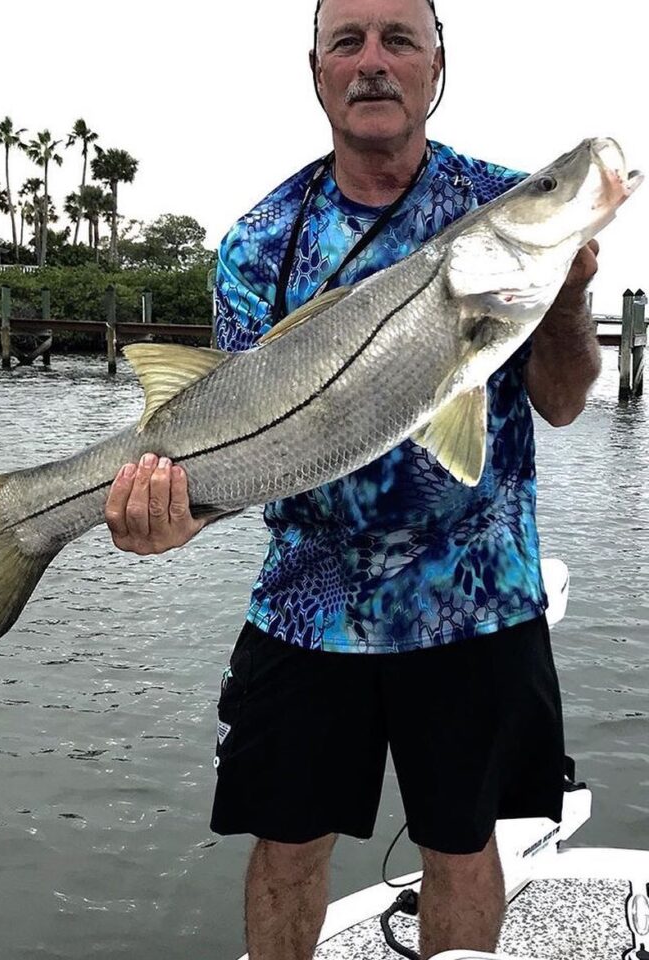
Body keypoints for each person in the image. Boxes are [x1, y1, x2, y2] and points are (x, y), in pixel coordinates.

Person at [104, 0, 602, 956]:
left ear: (436, 68)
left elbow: (567, 401)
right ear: (318, 71)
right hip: (309, 603)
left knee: (464, 847)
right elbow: (249, 448)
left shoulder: (496, 206)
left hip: (478, 602)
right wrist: (169, 513)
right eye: (350, 42)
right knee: (286, 850)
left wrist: (569, 295)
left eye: (399, 40)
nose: (374, 61)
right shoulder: (262, 242)